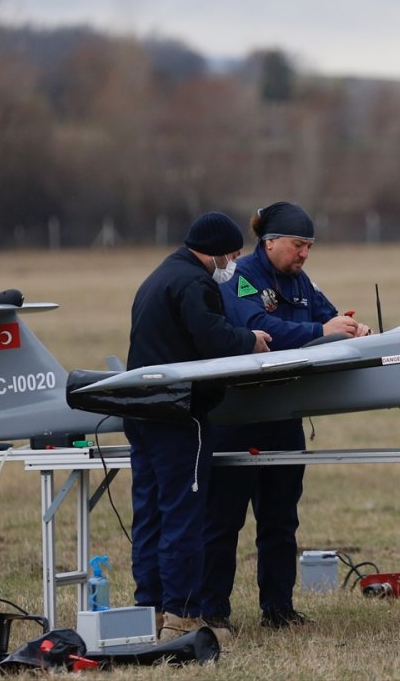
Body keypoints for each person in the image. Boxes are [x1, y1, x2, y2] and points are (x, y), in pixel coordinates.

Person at [202, 201, 370, 630]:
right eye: (299, 245)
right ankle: (214, 612)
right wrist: (320, 332)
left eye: (309, 247)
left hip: (284, 415)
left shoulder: (301, 282)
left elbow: (328, 317)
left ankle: (277, 609)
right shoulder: (239, 278)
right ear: (271, 242)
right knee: (224, 521)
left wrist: (351, 329)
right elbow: (258, 331)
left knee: (280, 519)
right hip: (237, 417)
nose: (304, 254)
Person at [123, 211, 271, 642]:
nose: (235, 263)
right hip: (178, 415)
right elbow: (214, 339)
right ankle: (183, 618)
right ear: (218, 252)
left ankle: (147, 611)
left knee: (149, 514)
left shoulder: (159, 277)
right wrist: (251, 340)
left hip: (142, 413)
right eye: (234, 254)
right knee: (183, 515)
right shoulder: (194, 283)